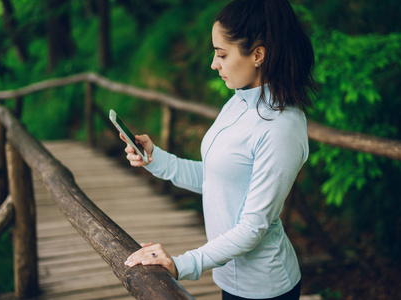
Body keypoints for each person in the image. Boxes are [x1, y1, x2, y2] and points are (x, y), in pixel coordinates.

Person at [123, 0, 317, 299]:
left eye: (222, 54)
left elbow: (253, 227)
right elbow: (218, 177)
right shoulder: (238, 100)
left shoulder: (282, 127)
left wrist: (181, 264)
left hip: (265, 288)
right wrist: (156, 160)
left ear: (258, 55)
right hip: (228, 278)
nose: (214, 64)